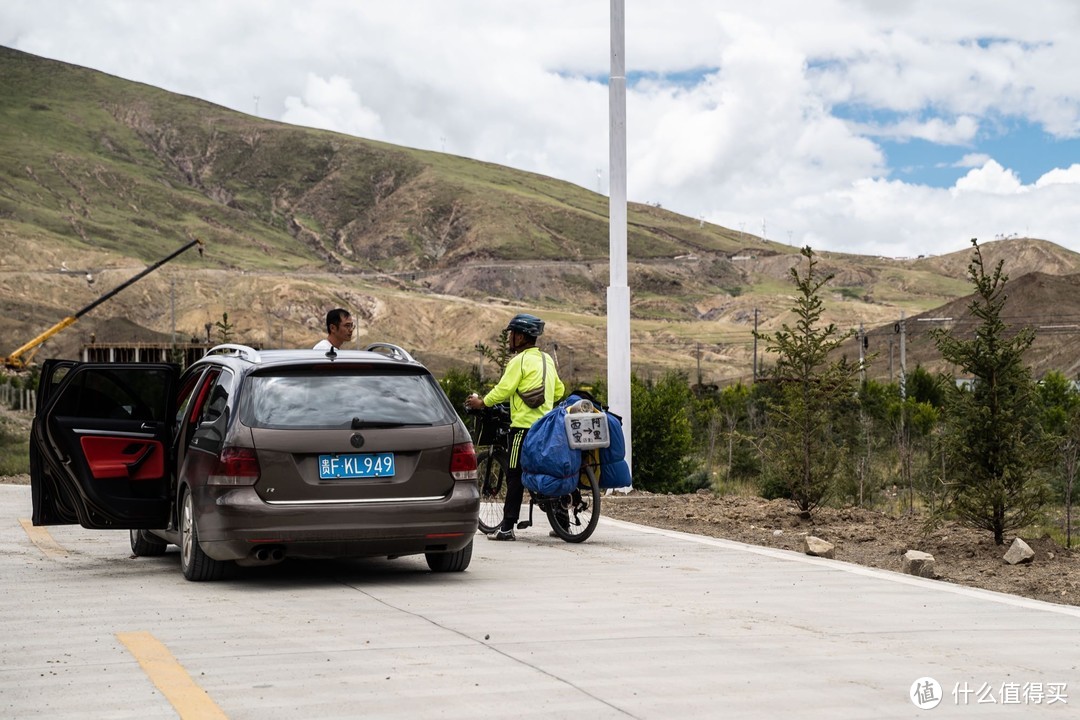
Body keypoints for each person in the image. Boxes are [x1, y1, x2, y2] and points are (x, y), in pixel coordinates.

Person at [466, 313, 564, 541]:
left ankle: (507, 527)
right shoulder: (546, 360)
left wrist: (482, 402)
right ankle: (562, 523)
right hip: (546, 428)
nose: (510, 338)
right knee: (548, 471)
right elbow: (559, 391)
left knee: (514, 475)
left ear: (520, 337)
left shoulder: (518, 361)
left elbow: (504, 389)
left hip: (522, 430)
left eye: (512, 334)